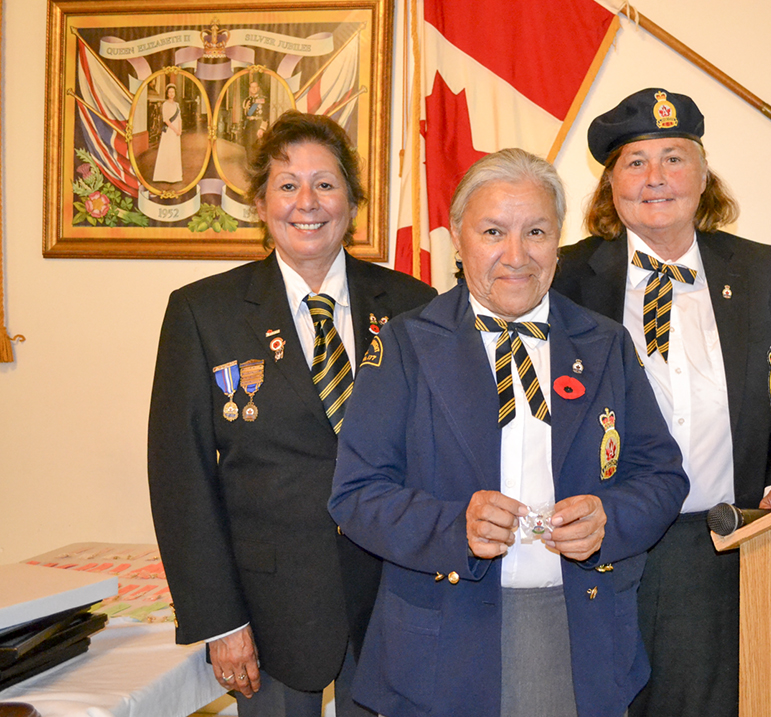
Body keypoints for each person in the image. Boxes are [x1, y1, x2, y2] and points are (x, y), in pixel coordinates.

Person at [328, 148, 689, 717]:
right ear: (457, 237)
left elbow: (663, 476)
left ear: (558, 240)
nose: (516, 255)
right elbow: (355, 495)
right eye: (494, 231)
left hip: (581, 635)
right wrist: (454, 526)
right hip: (442, 643)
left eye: (537, 232)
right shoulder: (404, 344)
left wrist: (608, 520)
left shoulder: (605, 343)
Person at [148, 111, 436, 716]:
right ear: (259, 203)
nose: (307, 202)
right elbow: (182, 481)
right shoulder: (204, 312)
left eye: (326, 184)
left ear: (352, 203)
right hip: (269, 608)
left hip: (395, 600)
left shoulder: (415, 306)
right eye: (287, 184)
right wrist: (218, 619)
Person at [552, 88, 771, 717]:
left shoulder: (764, 272)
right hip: (598, 550)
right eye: (635, 161)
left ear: (704, 176)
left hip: (718, 550)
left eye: (674, 158)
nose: (656, 179)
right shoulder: (563, 278)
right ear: (610, 185)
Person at [152, 83, 183, 184]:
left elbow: (179, 118)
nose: (171, 94)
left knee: (174, 152)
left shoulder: (177, 105)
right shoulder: (165, 105)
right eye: (169, 92)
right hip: (169, 131)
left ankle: (175, 176)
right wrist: (175, 130)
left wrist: (180, 130)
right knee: (168, 152)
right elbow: (166, 120)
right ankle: (164, 176)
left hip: (176, 133)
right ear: (167, 93)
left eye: (173, 92)